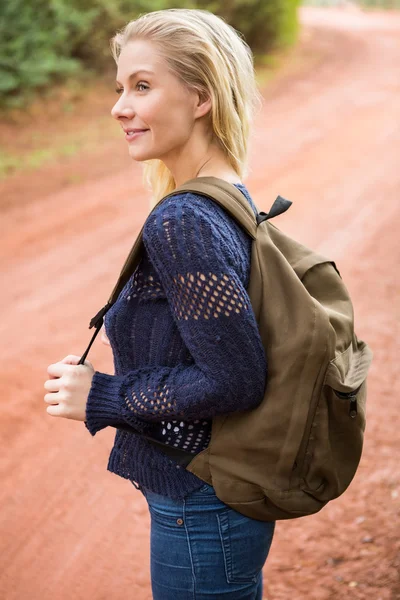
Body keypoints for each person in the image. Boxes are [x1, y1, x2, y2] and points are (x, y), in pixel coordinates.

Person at [44, 8, 275, 599]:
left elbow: (235, 379)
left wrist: (101, 394)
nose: (120, 106)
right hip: (217, 500)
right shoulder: (228, 196)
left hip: (202, 501)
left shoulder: (183, 220)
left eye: (142, 87)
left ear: (200, 98)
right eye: (120, 88)